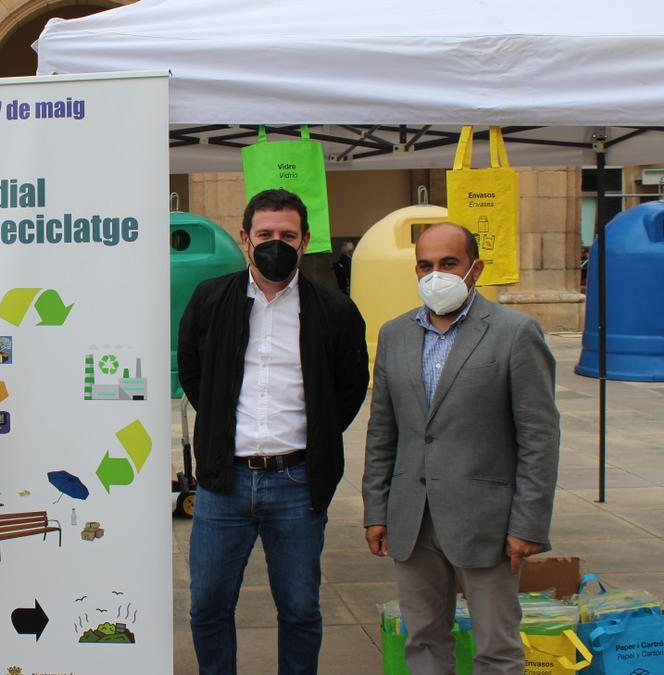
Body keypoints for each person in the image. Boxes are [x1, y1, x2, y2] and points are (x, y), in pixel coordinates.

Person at [178, 189, 370, 675]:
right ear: (245, 238)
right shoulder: (211, 299)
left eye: (287, 235)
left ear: (305, 240)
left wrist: (318, 435)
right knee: (208, 607)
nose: (275, 244)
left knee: (301, 610)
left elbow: (350, 387)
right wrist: (222, 425)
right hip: (225, 482)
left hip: (298, 482)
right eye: (265, 235)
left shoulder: (335, 310)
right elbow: (193, 371)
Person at [362, 222, 559, 674]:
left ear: (475, 268)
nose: (437, 275)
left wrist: (528, 522)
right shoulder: (395, 335)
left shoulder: (515, 332)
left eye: (449, 263)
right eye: (426, 265)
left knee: (497, 650)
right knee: (424, 641)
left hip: (487, 522)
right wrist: (376, 509)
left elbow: (539, 435)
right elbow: (383, 431)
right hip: (413, 518)